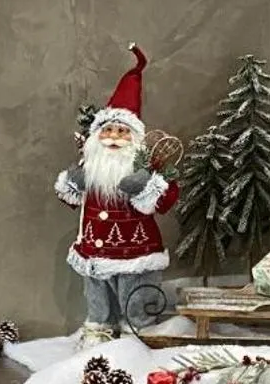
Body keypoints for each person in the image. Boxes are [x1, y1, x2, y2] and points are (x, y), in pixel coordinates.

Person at [55, 45, 178, 343]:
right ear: (96, 136)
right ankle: (99, 327)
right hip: (93, 251)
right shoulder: (91, 167)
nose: (113, 138)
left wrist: (145, 186)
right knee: (96, 292)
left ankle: (138, 330)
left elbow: (166, 199)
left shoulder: (143, 166)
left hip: (134, 252)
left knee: (133, 292)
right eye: (108, 131)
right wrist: (73, 182)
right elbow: (68, 198)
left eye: (122, 132)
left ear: (134, 138)